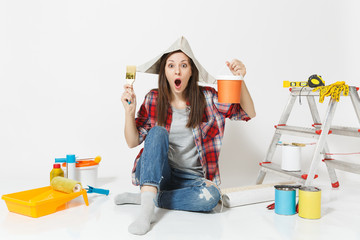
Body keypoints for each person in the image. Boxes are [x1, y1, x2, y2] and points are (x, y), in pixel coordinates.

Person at [116, 37, 256, 235]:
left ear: (192, 71)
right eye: (171, 66)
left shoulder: (209, 97)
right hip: (158, 173)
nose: (177, 71)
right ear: (165, 71)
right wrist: (128, 113)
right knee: (157, 132)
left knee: (212, 197)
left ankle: (149, 196)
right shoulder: (153, 98)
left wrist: (240, 80)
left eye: (184, 65)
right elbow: (132, 142)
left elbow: (248, 113)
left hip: (192, 180)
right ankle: (146, 213)